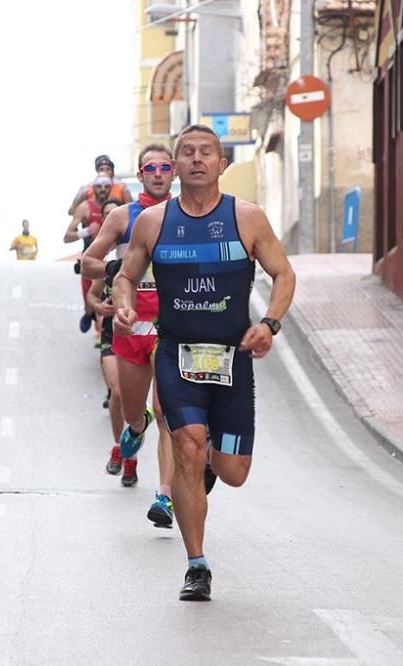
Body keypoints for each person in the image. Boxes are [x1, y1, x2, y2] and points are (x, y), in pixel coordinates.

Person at [112, 125, 296, 601]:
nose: (196, 160)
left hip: (233, 359)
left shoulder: (247, 218)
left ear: (222, 164)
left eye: (206, 153)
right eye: (186, 153)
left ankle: (209, 465)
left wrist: (270, 324)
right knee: (187, 444)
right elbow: (126, 276)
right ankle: (197, 565)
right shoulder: (153, 222)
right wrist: (125, 304)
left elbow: (283, 273)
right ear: (174, 167)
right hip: (176, 355)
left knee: (232, 472)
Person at [82, 144, 177, 520]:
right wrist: (115, 271)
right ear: (139, 175)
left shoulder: (187, 216)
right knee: (134, 409)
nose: (158, 173)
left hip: (171, 325)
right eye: (150, 167)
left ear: (174, 173)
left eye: (165, 166)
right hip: (129, 323)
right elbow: (88, 261)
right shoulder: (123, 216)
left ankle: (165, 496)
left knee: (168, 412)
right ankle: (135, 429)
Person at [85, 199, 126, 479]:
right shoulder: (108, 263)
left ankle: (131, 452)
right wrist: (99, 307)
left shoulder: (144, 253)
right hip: (113, 333)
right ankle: (119, 447)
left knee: (156, 410)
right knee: (118, 392)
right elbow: (92, 295)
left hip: (146, 331)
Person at [64, 176, 112, 333]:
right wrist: (86, 231)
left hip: (112, 256)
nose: (103, 189)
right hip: (90, 258)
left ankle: (102, 332)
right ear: (93, 188)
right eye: (99, 186)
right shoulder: (85, 207)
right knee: (91, 296)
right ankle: (88, 313)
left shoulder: (118, 207)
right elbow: (67, 237)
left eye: (106, 185)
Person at [68, 154, 133, 216]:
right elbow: (71, 211)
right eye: (101, 169)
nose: (105, 172)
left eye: (108, 169)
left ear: (113, 171)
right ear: (97, 171)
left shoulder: (122, 187)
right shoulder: (87, 188)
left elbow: (131, 211)